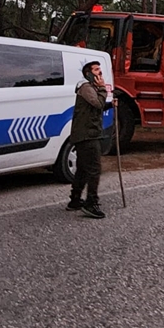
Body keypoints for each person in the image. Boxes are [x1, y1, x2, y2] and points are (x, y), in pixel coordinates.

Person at [66, 61, 109, 219]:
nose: (100, 73)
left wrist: (110, 105)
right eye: (97, 70)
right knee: (94, 169)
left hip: (86, 133)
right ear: (88, 74)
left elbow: (95, 107)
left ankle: (75, 200)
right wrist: (103, 88)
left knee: (83, 169)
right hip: (87, 135)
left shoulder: (91, 89)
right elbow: (97, 103)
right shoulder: (86, 88)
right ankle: (91, 203)